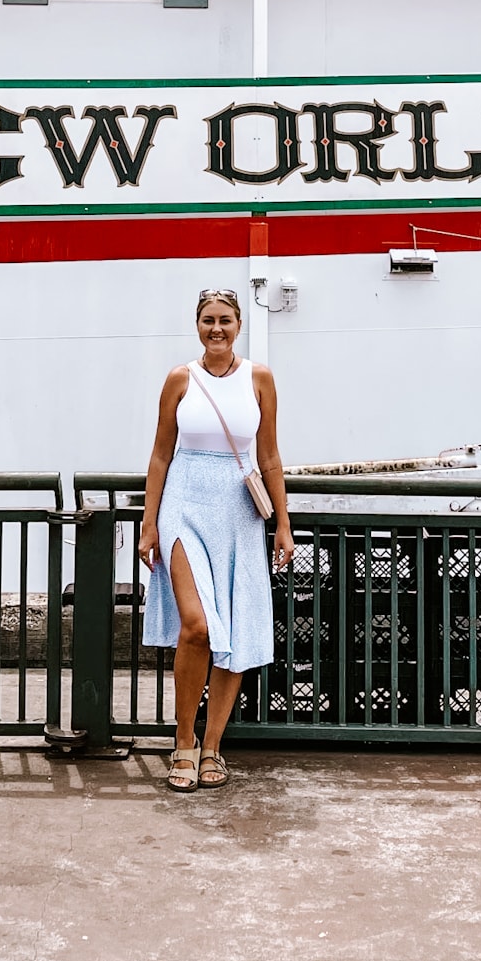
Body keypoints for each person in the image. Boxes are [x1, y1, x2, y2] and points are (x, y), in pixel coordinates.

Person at [140, 288, 295, 792]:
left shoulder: (261, 379)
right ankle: (182, 742)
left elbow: (268, 456)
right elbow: (161, 454)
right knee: (198, 625)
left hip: (238, 513)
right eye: (208, 320)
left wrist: (284, 525)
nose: (217, 330)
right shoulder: (179, 379)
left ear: (239, 324)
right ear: (197, 324)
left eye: (225, 320)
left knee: (234, 628)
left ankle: (212, 749)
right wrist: (148, 522)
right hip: (183, 504)